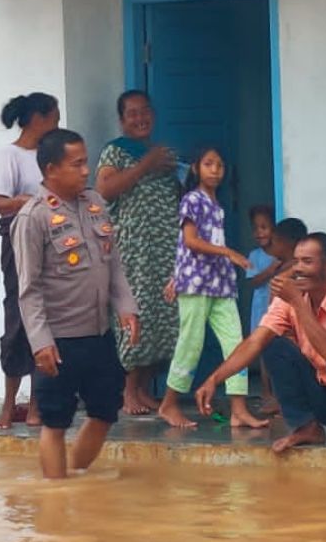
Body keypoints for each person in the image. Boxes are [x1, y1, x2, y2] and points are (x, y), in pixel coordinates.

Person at [194, 232, 326, 465]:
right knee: (274, 345)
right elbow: (255, 342)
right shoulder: (290, 299)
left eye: (307, 262)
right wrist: (213, 379)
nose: (298, 268)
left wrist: (299, 304)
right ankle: (307, 426)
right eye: (296, 261)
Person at [12, 128, 140, 479]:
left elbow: (113, 264)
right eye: (78, 164)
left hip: (98, 333)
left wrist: (126, 307)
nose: (86, 171)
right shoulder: (33, 217)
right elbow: (29, 289)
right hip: (58, 341)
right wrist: (40, 343)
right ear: (51, 169)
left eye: (86, 162)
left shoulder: (95, 204)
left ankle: (77, 479)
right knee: (54, 420)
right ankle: (56, 501)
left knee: (105, 411)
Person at [157, 146, 266, 429]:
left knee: (236, 344)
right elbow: (190, 241)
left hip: (221, 285)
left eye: (219, 165)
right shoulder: (192, 200)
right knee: (190, 343)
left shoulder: (217, 205)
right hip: (196, 284)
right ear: (196, 168)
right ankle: (168, 404)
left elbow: (186, 248)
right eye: (208, 164)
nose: (215, 170)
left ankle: (239, 409)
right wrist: (227, 252)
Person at [95, 90, 181, 416]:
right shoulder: (115, 153)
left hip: (166, 252)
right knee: (137, 316)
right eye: (132, 113)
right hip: (134, 252)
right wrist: (147, 164)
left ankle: (143, 388)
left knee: (165, 318)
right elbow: (104, 190)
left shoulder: (162, 153)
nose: (140, 118)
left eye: (145, 111)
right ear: (122, 120)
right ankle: (127, 391)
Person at [0, 92, 61, 430]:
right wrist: (28, 202)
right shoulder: (10, 156)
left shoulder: (53, 155)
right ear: (37, 119)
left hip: (53, 243)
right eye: (53, 117)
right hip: (18, 241)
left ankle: (35, 405)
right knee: (17, 316)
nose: (57, 124)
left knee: (43, 318)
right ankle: (8, 404)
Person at [246, 214, 309, 416]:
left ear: (285, 243)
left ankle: (287, 401)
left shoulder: (289, 274)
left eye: (275, 242)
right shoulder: (286, 269)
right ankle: (278, 397)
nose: (271, 247)